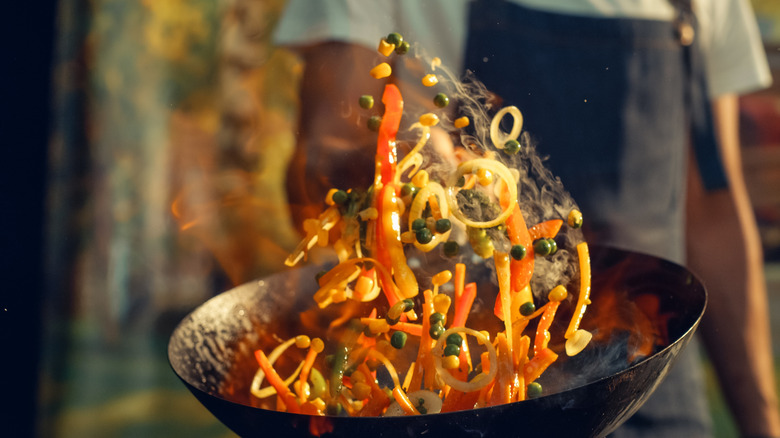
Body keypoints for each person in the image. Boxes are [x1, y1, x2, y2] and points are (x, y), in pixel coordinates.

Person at [273, 0, 780, 436]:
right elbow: (318, 155)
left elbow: (712, 209)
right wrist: (393, 164)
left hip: (652, 392)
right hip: (451, 399)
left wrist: (762, 425)